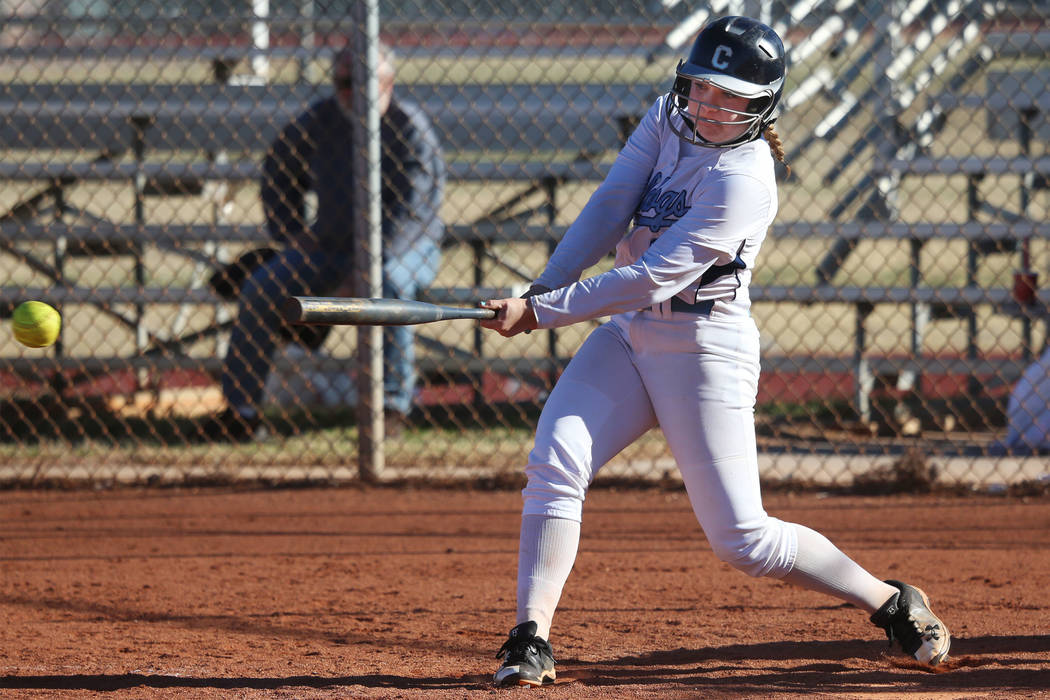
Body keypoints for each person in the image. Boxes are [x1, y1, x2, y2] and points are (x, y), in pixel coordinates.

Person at [479, 17, 950, 687]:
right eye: (700, 88)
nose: (708, 106)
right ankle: (531, 638)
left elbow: (652, 275)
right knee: (556, 457)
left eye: (729, 97)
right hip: (630, 335)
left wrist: (542, 314)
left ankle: (888, 600)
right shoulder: (669, 119)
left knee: (744, 541)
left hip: (703, 350)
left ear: (762, 109)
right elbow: (613, 202)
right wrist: (544, 287)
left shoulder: (745, 180)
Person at [202, 41, 446, 441]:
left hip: (404, 250)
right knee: (262, 286)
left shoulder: (409, 129)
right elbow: (278, 168)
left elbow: (412, 217)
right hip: (331, 246)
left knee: (391, 285)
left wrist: (364, 270)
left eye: (364, 82)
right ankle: (240, 413)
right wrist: (291, 233)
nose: (351, 92)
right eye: (343, 82)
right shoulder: (323, 118)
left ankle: (392, 410)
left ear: (388, 82)